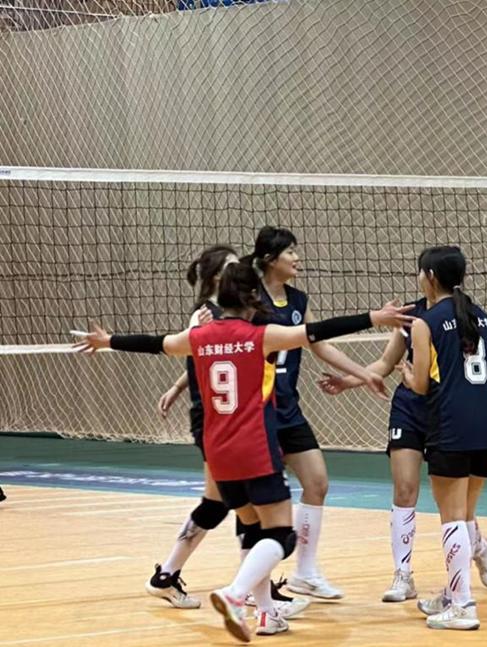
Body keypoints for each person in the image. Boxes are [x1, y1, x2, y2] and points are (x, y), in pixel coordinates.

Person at [75, 263, 413, 641]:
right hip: (254, 449)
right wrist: (374, 317)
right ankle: (235, 594)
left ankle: (266, 613)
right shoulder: (261, 336)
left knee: (253, 530)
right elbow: (318, 331)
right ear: (254, 298)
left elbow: (156, 344)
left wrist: (108, 340)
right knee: (281, 536)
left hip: (218, 455)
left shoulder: (197, 338)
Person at [147, 245, 309, 620]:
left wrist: (177, 386)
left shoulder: (225, 316)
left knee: (229, 504)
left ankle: (232, 588)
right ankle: (241, 590)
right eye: (235, 266)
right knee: (234, 506)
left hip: (221, 416)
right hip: (220, 420)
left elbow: (211, 359)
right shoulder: (212, 314)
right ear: (221, 276)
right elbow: (201, 352)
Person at [316, 284, 487, 604]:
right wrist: (348, 381)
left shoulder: (461, 316)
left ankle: (476, 548)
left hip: (445, 411)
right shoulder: (411, 316)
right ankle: (403, 574)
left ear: (431, 276)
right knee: (404, 489)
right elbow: (386, 363)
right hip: (409, 410)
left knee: (455, 505)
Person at [245, 226, 396, 600]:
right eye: (290, 252)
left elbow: (320, 344)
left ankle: (305, 573)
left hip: (288, 409)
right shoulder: (249, 299)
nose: (297, 258)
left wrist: (363, 375)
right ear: (270, 259)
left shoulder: (298, 300)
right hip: (255, 411)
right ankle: (249, 584)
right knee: (252, 502)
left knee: (317, 483)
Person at [401, 246, 487, 631]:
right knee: (466, 514)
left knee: (452, 519)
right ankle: (453, 592)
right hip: (486, 424)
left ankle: (462, 605)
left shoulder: (425, 322)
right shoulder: (481, 316)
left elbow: (422, 385)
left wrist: (408, 377)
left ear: (429, 277)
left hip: (449, 424)